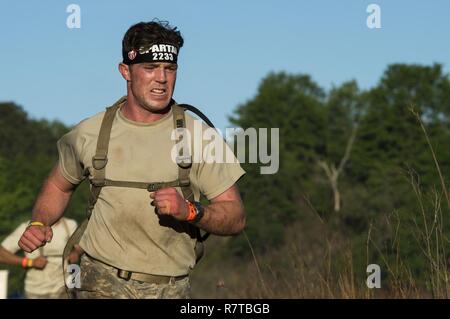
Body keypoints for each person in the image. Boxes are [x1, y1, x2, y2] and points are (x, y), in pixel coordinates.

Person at [17, 20, 246, 299]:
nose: (162, 78)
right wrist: (40, 223)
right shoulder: (89, 133)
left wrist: (190, 211)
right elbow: (58, 186)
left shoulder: (201, 138)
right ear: (126, 70)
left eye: (170, 68)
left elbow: (235, 217)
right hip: (98, 282)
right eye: (150, 68)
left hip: (169, 288)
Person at [1, 217, 77, 298]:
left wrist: (76, 253)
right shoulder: (27, 228)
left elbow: (82, 245)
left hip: (64, 290)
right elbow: (1, 255)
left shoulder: (70, 225)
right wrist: (30, 262)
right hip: (37, 291)